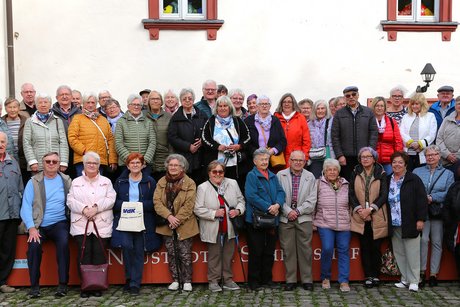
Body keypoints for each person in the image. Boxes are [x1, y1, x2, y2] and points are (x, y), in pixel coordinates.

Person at [20, 152, 72, 298]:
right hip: (38, 224)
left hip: (59, 223)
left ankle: (63, 285)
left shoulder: (66, 180)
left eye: (54, 161)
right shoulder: (34, 181)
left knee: (63, 243)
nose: (51, 164)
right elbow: (25, 206)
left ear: (58, 164)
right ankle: (34, 287)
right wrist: (31, 228)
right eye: (47, 161)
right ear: (42, 164)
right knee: (34, 247)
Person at [67, 151, 116, 298]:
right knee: (84, 255)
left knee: (99, 254)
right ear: (84, 165)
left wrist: (96, 208)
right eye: (89, 163)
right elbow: (70, 201)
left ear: (99, 166)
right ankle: (85, 286)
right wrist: (84, 209)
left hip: (101, 223)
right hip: (81, 224)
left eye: (94, 163)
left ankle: (97, 285)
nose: (91, 165)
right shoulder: (76, 182)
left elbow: (111, 199)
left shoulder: (106, 181)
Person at [112, 153, 161, 295]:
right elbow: (114, 202)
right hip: (125, 221)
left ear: (143, 165)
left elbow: (154, 203)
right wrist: (128, 205)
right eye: (132, 163)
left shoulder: (150, 181)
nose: (135, 165)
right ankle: (128, 278)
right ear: (127, 166)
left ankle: (135, 283)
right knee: (127, 247)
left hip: (142, 221)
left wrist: (138, 206)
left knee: (139, 251)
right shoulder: (120, 182)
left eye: (137, 163)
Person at [194, 160, 245, 292]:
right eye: (214, 171)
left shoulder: (232, 183)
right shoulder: (202, 187)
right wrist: (213, 213)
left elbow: (241, 200)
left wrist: (238, 211)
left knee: (228, 255)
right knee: (214, 255)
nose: (217, 174)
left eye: (220, 171)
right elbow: (198, 209)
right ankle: (213, 281)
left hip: (229, 225)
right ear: (209, 173)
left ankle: (227, 279)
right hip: (212, 226)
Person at [154, 154, 199, 292]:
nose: (173, 167)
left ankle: (187, 281)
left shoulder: (189, 182)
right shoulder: (161, 181)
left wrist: (177, 219)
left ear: (182, 167)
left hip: (184, 224)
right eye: (171, 165)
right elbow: (157, 202)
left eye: (176, 165)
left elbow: (189, 204)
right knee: (172, 253)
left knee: (185, 254)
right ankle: (175, 279)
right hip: (167, 223)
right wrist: (169, 217)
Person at [413, 145, 454, 287]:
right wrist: (423, 198)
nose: (430, 157)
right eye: (428, 155)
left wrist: (432, 197)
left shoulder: (448, 174)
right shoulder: (417, 171)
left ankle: (433, 274)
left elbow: (449, 193)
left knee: (437, 242)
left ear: (439, 156)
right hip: (422, 212)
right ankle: (422, 272)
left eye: (433, 154)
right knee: (423, 240)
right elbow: (414, 189)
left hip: (437, 212)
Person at [244, 148, 285, 291]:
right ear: (255, 162)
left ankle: (267, 279)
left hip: (272, 220)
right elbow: (251, 196)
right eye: (261, 159)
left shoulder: (273, 176)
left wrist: (278, 205)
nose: (264, 162)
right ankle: (254, 282)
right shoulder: (251, 176)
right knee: (256, 251)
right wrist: (269, 207)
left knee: (269, 251)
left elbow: (281, 192)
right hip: (256, 219)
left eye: (266, 159)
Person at [276, 150, 317, 291]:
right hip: (285, 218)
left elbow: (312, 200)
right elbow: (277, 197)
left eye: (301, 160)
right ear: (290, 161)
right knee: (288, 250)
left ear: (305, 162)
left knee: (305, 250)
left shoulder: (310, 176)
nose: (298, 162)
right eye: (295, 160)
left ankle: (307, 280)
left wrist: (298, 211)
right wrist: (288, 211)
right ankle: (291, 280)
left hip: (304, 217)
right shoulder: (280, 175)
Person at [388, 151, 427, 292]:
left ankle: (414, 280)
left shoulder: (413, 179)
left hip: (410, 221)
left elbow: (421, 200)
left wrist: (421, 219)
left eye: (400, 162)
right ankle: (405, 278)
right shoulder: (388, 179)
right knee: (399, 252)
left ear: (405, 164)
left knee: (412, 252)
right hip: (394, 222)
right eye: (394, 162)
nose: (396, 165)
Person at [349, 147, 388, 288]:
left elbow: (384, 194)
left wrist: (370, 210)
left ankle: (376, 275)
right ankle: (368, 276)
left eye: (368, 156)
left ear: (374, 158)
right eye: (362, 157)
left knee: (376, 247)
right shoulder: (355, 171)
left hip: (376, 214)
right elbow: (351, 193)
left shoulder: (381, 172)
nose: (365, 159)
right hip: (360, 215)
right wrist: (360, 210)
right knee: (364, 246)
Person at [313, 158, 351, 292]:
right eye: (329, 169)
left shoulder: (346, 184)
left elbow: (351, 204)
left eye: (335, 169)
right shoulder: (318, 184)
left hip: (344, 224)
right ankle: (325, 277)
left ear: (338, 171)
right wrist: (313, 220)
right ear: (324, 171)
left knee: (344, 250)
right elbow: (314, 203)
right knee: (328, 248)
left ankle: (344, 280)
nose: (332, 172)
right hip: (324, 223)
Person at [202, 95, 251, 186]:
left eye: (225, 106)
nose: (222, 108)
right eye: (220, 106)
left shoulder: (237, 121)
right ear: (216, 108)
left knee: (234, 187)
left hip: (235, 165)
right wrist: (217, 147)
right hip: (216, 164)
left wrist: (239, 146)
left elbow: (247, 137)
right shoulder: (211, 122)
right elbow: (204, 139)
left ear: (230, 107)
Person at [331, 86, 378, 180]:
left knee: (364, 183)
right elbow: (335, 136)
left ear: (358, 95)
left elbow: (373, 133)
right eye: (348, 96)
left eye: (353, 94)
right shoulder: (339, 114)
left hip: (364, 156)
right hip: (346, 157)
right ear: (345, 98)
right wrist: (340, 155)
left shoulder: (368, 112)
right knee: (348, 184)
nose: (351, 97)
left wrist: (369, 152)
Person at [68, 92, 117, 177]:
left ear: (96, 104)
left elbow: (110, 140)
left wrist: (112, 160)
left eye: (93, 102)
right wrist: (84, 151)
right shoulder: (77, 118)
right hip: (83, 160)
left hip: (100, 161)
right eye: (88, 102)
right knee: (83, 187)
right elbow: (72, 138)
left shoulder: (103, 120)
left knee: (98, 187)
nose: (90, 105)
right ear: (83, 104)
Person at [168, 88, 207, 184]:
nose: (187, 101)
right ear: (180, 101)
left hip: (200, 158)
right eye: (184, 99)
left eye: (190, 98)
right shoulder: (175, 118)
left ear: (193, 99)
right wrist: (188, 146)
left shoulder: (202, 115)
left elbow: (208, 132)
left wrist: (203, 141)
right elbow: (172, 137)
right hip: (184, 158)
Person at [0, 132, 23, 294]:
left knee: (8, 250)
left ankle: (2, 281)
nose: (0, 144)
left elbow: (20, 188)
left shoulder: (13, 161)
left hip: (12, 214)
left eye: (3, 142)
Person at [23, 94, 69, 174]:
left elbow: (63, 142)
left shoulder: (58, 121)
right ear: (36, 105)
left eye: (46, 102)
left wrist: (63, 162)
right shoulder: (30, 121)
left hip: (55, 164)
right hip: (37, 166)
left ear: (50, 104)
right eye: (40, 102)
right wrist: (32, 161)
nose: (43, 105)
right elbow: (26, 143)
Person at [115, 94, 156, 174]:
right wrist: (130, 161)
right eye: (133, 104)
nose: (136, 107)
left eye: (139, 105)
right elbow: (118, 143)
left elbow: (152, 142)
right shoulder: (121, 122)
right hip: (126, 164)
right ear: (128, 106)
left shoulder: (148, 122)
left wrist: (144, 160)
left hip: (145, 165)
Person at [244, 95, 287, 171]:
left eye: (266, 104)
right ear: (257, 106)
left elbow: (283, 141)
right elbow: (245, 141)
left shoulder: (275, 121)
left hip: (272, 161)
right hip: (253, 161)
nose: (264, 106)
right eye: (261, 104)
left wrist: (273, 150)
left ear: (270, 106)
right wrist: (256, 152)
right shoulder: (248, 121)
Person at [399, 93, 437, 171]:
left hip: (423, 152)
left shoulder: (430, 116)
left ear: (422, 104)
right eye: (412, 104)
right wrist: (411, 142)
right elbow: (401, 132)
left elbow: (432, 134)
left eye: (417, 104)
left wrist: (420, 144)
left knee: (421, 176)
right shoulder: (406, 117)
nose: (414, 106)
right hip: (408, 153)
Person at [274, 93, 311, 168]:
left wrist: (304, 157)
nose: (286, 104)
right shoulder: (275, 117)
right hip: (279, 157)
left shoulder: (301, 118)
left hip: (297, 157)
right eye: (284, 102)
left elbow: (306, 140)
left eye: (289, 102)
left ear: (293, 104)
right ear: (281, 104)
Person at [371, 96, 404, 174]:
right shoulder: (369, 121)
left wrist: (397, 158)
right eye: (377, 106)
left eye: (382, 106)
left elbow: (398, 141)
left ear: (385, 107)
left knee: (389, 182)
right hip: (373, 160)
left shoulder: (392, 121)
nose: (379, 108)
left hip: (389, 160)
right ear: (373, 107)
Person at [146, 90, 173, 181]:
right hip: (147, 158)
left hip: (163, 158)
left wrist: (171, 158)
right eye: (152, 99)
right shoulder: (142, 116)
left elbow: (171, 139)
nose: (155, 101)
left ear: (161, 102)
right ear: (148, 102)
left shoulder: (168, 117)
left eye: (157, 99)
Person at [2, 97, 28, 183]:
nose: (12, 110)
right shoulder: (1, 122)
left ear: (19, 108)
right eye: (9, 107)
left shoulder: (27, 121)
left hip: (24, 159)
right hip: (6, 159)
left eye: (15, 107)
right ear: (5, 109)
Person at [308, 100, 335, 178]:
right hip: (314, 156)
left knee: (330, 178)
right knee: (315, 178)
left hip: (329, 155)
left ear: (326, 110)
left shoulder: (332, 121)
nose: (320, 111)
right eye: (318, 108)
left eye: (322, 108)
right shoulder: (309, 124)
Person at [443, 166, 460, 282]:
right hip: (457, 226)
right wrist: (449, 221)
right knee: (459, 253)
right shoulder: (455, 186)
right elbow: (447, 206)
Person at [436, 96, 460, 173]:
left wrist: (456, 156)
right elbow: (439, 138)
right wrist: (447, 155)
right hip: (444, 161)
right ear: (455, 106)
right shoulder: (447, 119)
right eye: (458, 104)